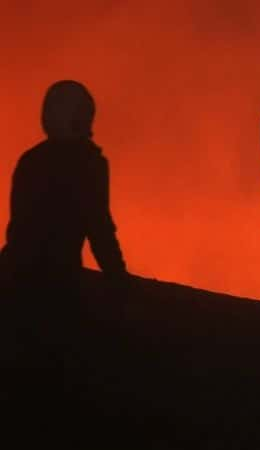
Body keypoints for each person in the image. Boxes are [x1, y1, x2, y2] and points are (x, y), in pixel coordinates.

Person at [0, 80, 128, 444]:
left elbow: (17, 226)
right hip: (58, 281)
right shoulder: (89, 164)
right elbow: (99, 227)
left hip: (19, 276)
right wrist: (119, 279)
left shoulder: (31, 160)